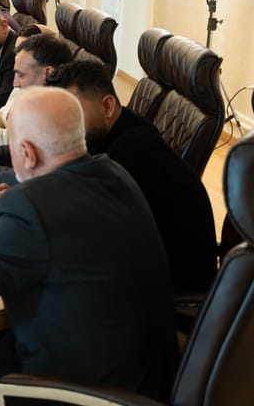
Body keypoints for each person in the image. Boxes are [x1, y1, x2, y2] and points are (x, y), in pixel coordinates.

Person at [0, 87, 176, 406]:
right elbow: (62, 250)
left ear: (27, 153)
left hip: (85, 392)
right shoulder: (113, 173)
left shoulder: (29, 205)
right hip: (142, 376)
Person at [49, 61, 217, 293]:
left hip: (168, 292)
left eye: (72, 113)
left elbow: (84, 227)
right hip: (141, 270)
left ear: (107, 106)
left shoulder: (131, 151)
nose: (63, 126)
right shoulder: (115, 132)